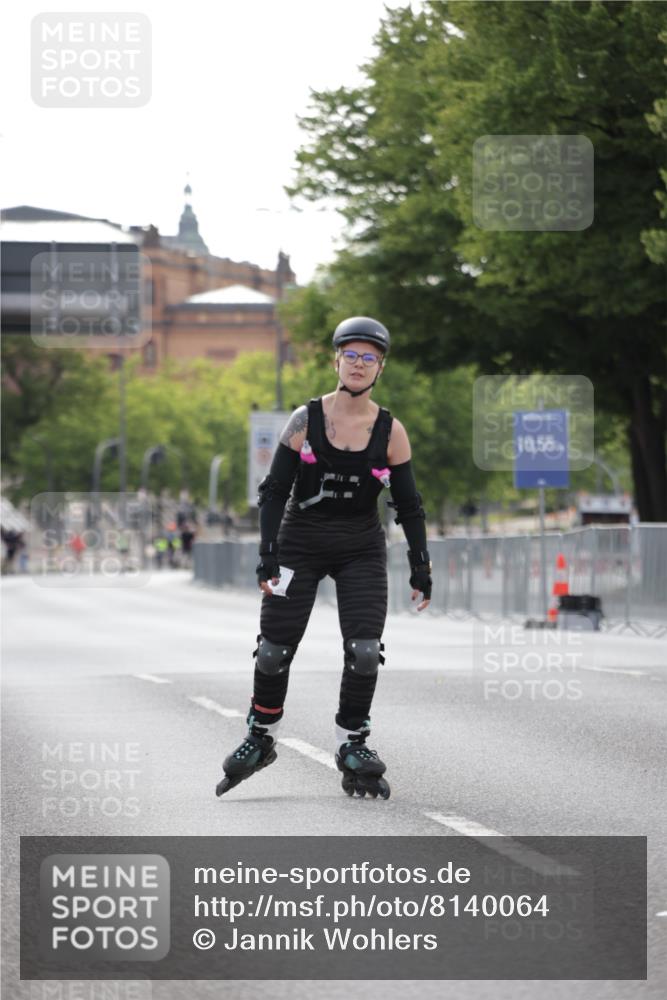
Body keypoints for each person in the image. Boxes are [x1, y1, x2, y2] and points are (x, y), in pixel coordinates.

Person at [216, 317, 432, 800]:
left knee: (363, 652)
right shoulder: (305, 420)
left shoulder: (391, 431)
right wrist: (267, 555)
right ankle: (260, 735)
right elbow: (273, 492)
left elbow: (409, 505)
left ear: (380, 367)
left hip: (360, 547)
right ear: (336, 360)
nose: (358, 364)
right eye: (350, 355)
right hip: (300, 543)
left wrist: (422, 565)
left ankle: (352, 742)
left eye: (368, 357)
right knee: (273, 653)